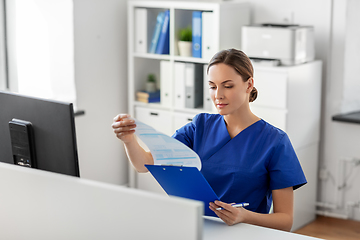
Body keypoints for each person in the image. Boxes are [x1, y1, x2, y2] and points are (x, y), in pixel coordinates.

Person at [112, 48, 307, 231]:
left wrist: (244, 216)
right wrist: (129, 140)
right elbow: (145, 164)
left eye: (228, 86)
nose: (218, 95)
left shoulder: (275, 141)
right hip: (198, 228)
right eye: (212, 87)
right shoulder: (200, 126)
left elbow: (285, 221)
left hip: (244, 233)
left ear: (249, 85)